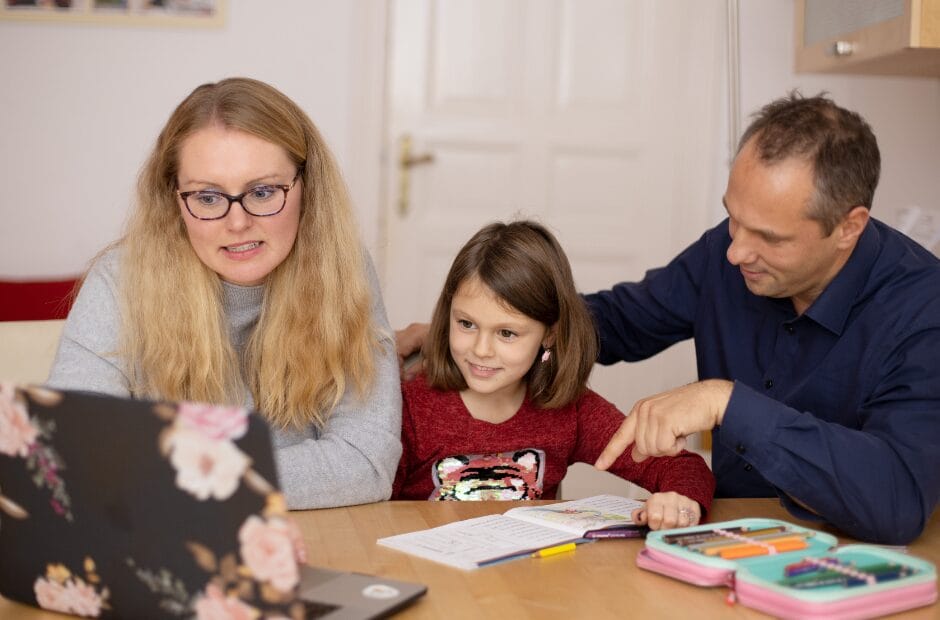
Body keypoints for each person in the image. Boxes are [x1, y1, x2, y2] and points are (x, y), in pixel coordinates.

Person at [587, 92, 940, 544]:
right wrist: (508, 319)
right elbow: (617, 322)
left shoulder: (923, 311)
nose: (736, 252)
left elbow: (898, 503)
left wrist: (726, 403)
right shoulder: (726, 251)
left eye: (770, 238)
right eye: (733, 218)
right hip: (724, 547)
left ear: (848, 227)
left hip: (846, 571)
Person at [47, 77, 402, 509]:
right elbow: (75, 458)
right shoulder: (118, 283)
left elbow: (366, 464)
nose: (237, 223)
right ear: (173, 199)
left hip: (316, 539)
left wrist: (164, 474)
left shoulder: (344, 270)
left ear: (308, 187)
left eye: (263, 191)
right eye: (208, 197)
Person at [392, 220, 715, 530]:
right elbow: (372, 510)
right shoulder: (411, 408)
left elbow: (682, 466)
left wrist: (679, 502)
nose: (481, 349)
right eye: (466, 324)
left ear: (549, 335)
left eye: (506, 333)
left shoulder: (570, 411)